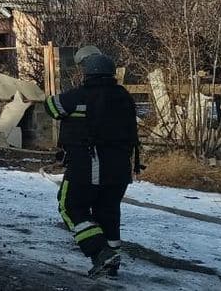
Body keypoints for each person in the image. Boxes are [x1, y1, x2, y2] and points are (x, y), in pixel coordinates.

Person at [39, 45, 140, 278]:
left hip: (88, 164)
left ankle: (100, 252)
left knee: (71, 206)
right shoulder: (123, 96)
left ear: (87, 73)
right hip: (121, 168)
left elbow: (52, 107)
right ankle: (112, 262)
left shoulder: (81, 95)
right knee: (108, 211)